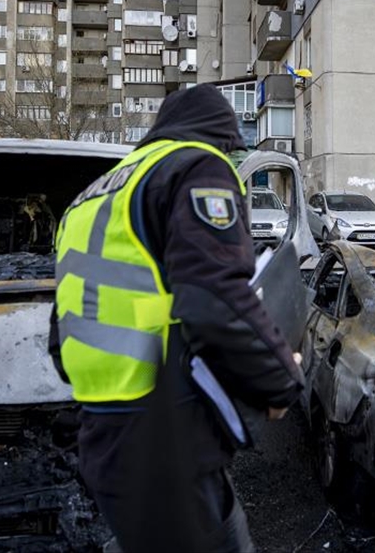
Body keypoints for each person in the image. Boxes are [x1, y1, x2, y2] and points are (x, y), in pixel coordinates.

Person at [50, 84, 302, 553]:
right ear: (222, 137)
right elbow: (214, 299)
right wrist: (280, 380)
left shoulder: (89, 198)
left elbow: (61, 340)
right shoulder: (197, 164)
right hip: (164, 438)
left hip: (102, 437)